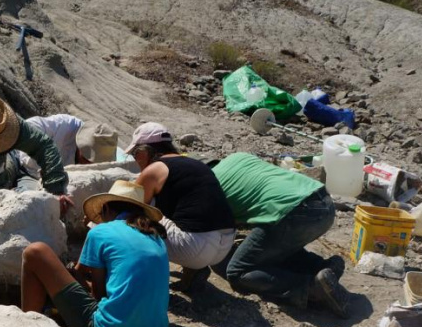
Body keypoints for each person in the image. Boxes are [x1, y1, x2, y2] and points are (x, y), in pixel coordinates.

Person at [20, 180, 170, 327]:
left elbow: (98, 296)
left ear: (106, 209)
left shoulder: (100, 231)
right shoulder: (154, 237)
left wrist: (79, 281)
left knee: (35, 252)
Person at [211, 152, 349, 316]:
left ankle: (311, 288)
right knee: (275, 246)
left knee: (237, 271)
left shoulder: (208, 187)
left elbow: (213, 234)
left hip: (295, 214)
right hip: (324, 202)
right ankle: (322, 268)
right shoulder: (238, 157)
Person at [125, 123, 236, 288]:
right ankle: (194, 270)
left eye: (135, 154)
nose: (136, 159)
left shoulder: (154, 170)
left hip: (195, 247)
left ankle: (139, 277)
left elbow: (129, 207)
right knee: (179, 208)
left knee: (135, 215)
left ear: (143, 151)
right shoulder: (194, 163)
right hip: (226, 244)